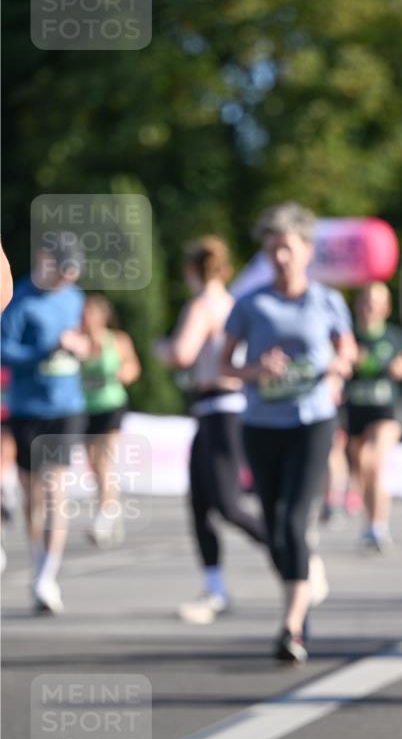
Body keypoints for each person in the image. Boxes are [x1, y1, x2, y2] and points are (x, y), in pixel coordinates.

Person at [220, 203, 356, 663]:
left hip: (312, 420)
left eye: (287, 249)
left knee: (296, 521)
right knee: (276, 529)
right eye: (272, 249)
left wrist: (338, 368)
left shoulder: (327, 301)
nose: (279, 258)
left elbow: (347, 350)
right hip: (262, 423)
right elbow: (223, 365)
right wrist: (256, 370)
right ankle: (301, 591)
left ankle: (291, 627)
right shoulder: (250, 304)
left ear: (306, 250)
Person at [155, 235, 267, 623]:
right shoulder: (235, 303)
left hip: (220, 407)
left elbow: (182, 353)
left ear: (191, 271)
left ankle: (292, 553)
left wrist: (161, 349)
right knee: (201, 503)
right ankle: (215, 588)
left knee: (228, 504)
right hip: (223, 409)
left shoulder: (202, 306)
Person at [0, 232, 88, 613]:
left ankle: (48, 576)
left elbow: (88, 341)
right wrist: (43, 351)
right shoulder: (20, 299)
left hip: (66, 406)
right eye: (63, 269)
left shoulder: (76, 298)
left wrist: (82, 348)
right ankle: (37, 562)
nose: (68, 278)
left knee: (55, 489)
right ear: (43, 260)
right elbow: (5, 349)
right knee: (31, 495)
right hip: (26, 408)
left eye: (73, 271)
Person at [346, 283, 402, 550]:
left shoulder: (393, 336)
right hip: (356, 410)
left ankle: (379, 526)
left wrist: (401, 368)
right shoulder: (349, 337)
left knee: (374, 462)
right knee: (362, 468)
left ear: (386, 308)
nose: (370, 307)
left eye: (376, 302)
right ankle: (371, 522)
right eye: (365, 301)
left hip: (385, 410)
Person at [81, 294, 141, 546]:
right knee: (94, 465)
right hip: (86, 407)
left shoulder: (117, 340)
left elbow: (133, 367)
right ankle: (110, 507)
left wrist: (124, 372)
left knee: (105, 460)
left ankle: (105, 516)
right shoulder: (78, 341)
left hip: (112, 405)